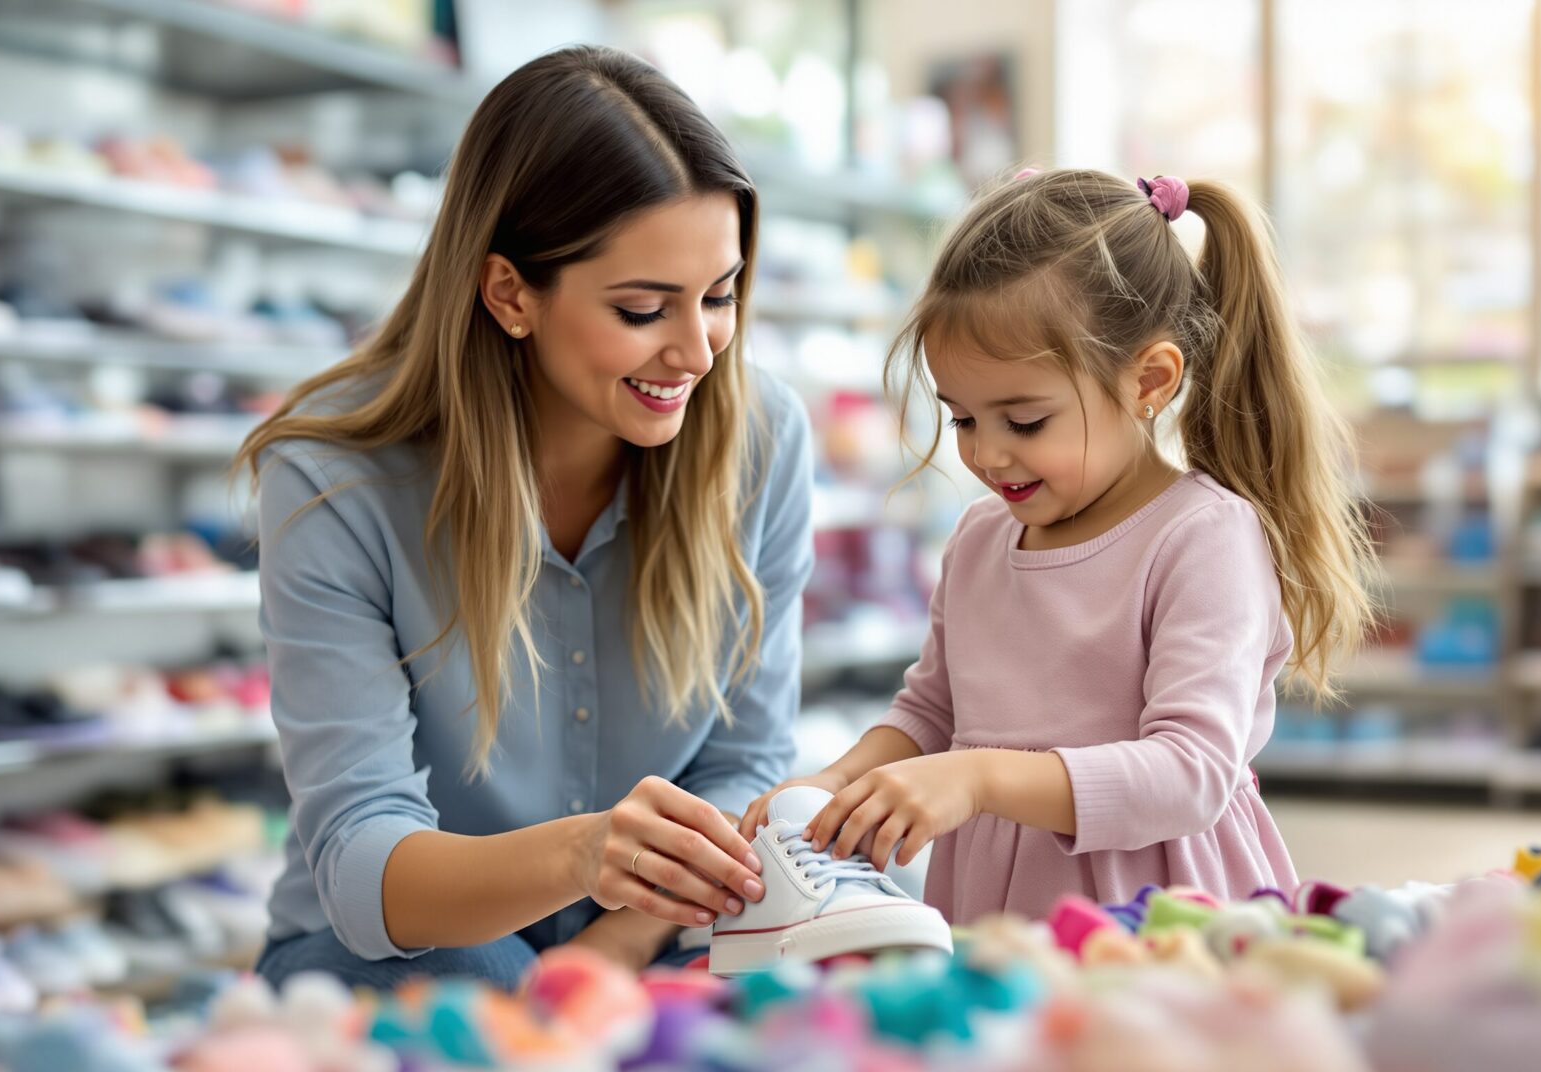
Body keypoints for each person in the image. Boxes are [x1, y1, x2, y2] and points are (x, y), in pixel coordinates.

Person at [238, 45, 814, 989]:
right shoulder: (334, 479)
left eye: (719, 297)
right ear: (509, 292)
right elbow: (361, 857)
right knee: (483, 978)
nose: (699, 353)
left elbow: (745, 763)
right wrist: (585, 856)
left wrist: (610, 954)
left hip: (652, 935)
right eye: (643, 310)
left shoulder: (763, 439)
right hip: (399, 948)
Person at [744, 167, 1379, 922]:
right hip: (998, 913)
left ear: (1149, 381)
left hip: (1162, 918)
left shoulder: (1203, 539)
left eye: (1025, 421)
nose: (987, 454)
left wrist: (977, 780)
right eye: (963, 419)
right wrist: (836, 781)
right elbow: (931, 710)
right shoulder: (980, 539)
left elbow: (1191, 774)